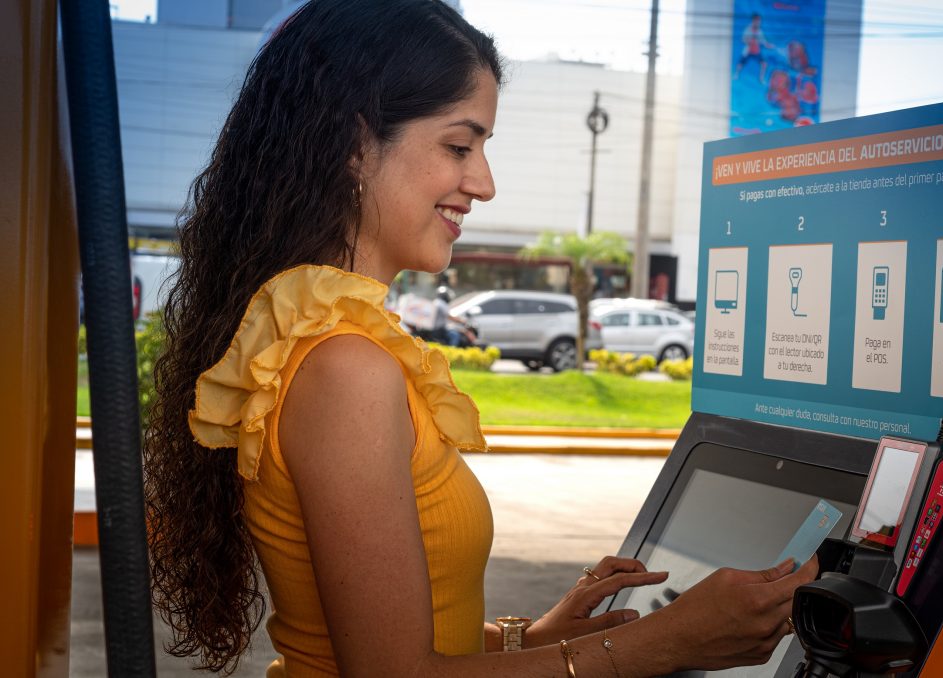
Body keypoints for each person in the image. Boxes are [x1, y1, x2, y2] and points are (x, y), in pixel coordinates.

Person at [143, 1, 817, 676]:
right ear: (352, 147)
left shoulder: (320, 335)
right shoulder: (344, 366)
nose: (484, 184)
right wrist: (670, 640)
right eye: (459, 146)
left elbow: (403, 633)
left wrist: (542, 634)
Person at [734, 13, 775, 83]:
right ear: (753, 21)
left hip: (756, 51)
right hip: (748, 51)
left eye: (759, 21)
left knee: (764, 64)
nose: (758, 23)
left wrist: (768, 45)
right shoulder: (747, 29)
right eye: (757, 21)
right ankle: (736, 74)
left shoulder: (760, 31)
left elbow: (763, 41)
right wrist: (750, 41)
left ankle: (761, 79)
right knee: (740, 64)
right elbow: (743, 39)